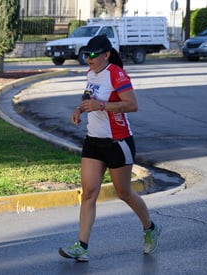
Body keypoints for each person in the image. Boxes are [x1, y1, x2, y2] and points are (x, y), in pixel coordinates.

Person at [58, 35, 161, 262]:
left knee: (124, 192)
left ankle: (150, 227)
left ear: (106, 54)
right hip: (93, 141)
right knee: (88, 193)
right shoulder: (91, 73)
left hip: (118, 142)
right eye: (86, 54)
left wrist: (101, 105)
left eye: (94, 55)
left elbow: (132, 104)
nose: (89, 59)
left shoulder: (116, 73)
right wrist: (79, 109)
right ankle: (82, 246)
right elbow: (90, 97)